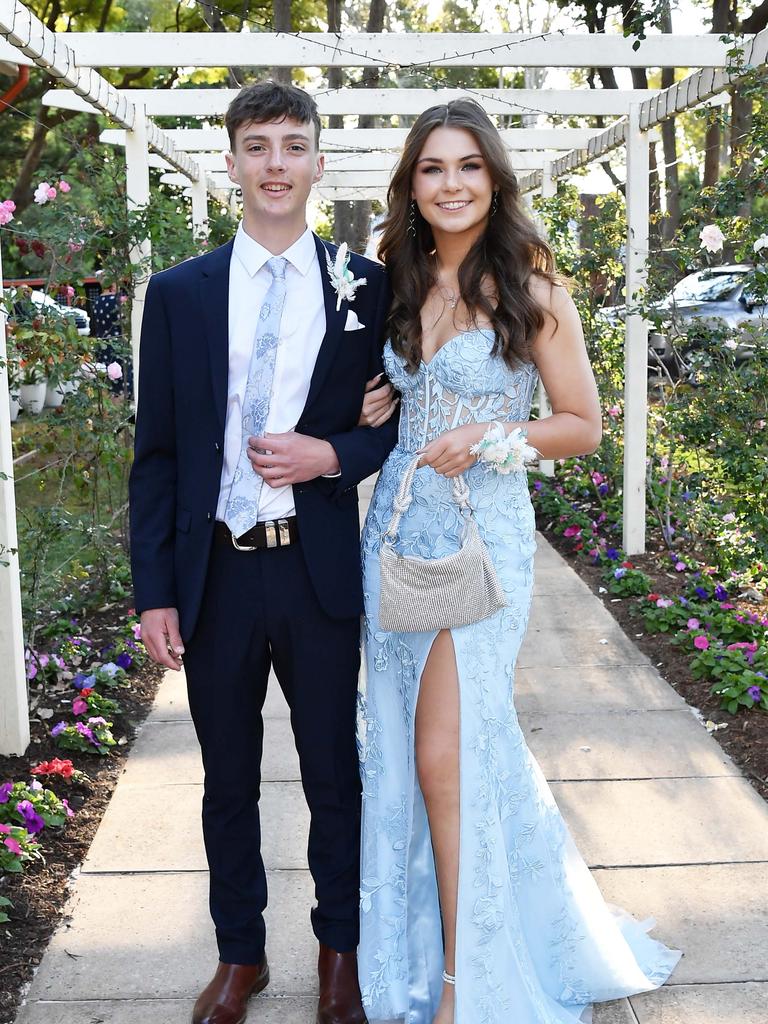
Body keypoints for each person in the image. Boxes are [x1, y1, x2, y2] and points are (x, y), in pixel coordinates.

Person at [357, 99, 681, 1024]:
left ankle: (468, 979)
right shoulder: (395, 278)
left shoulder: (531, 289)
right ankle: (427, 946)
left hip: (482, 547)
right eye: (432, 168)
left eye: (468, 166)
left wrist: (493, 436)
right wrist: (379, 405)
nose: (450, 184)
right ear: (411, 185)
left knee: (442, 753)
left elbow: (583, 424)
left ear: (494, 178)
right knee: (417, 753)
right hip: (392, 540)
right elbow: (390, 401)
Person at [129, 81, 397, 1024]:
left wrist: (336, 452)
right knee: (227, 777)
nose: (276, 163)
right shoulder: (179, 294)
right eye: (257, 145)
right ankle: (240, 956)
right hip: (216, 576)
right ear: (232, 162)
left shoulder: (370, 288)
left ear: (320, 162)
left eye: (293, 144)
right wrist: (153, 590)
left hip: (317, 568)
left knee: (335, 773)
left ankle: (340, 955)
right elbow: (156, 454)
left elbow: (397, 423)